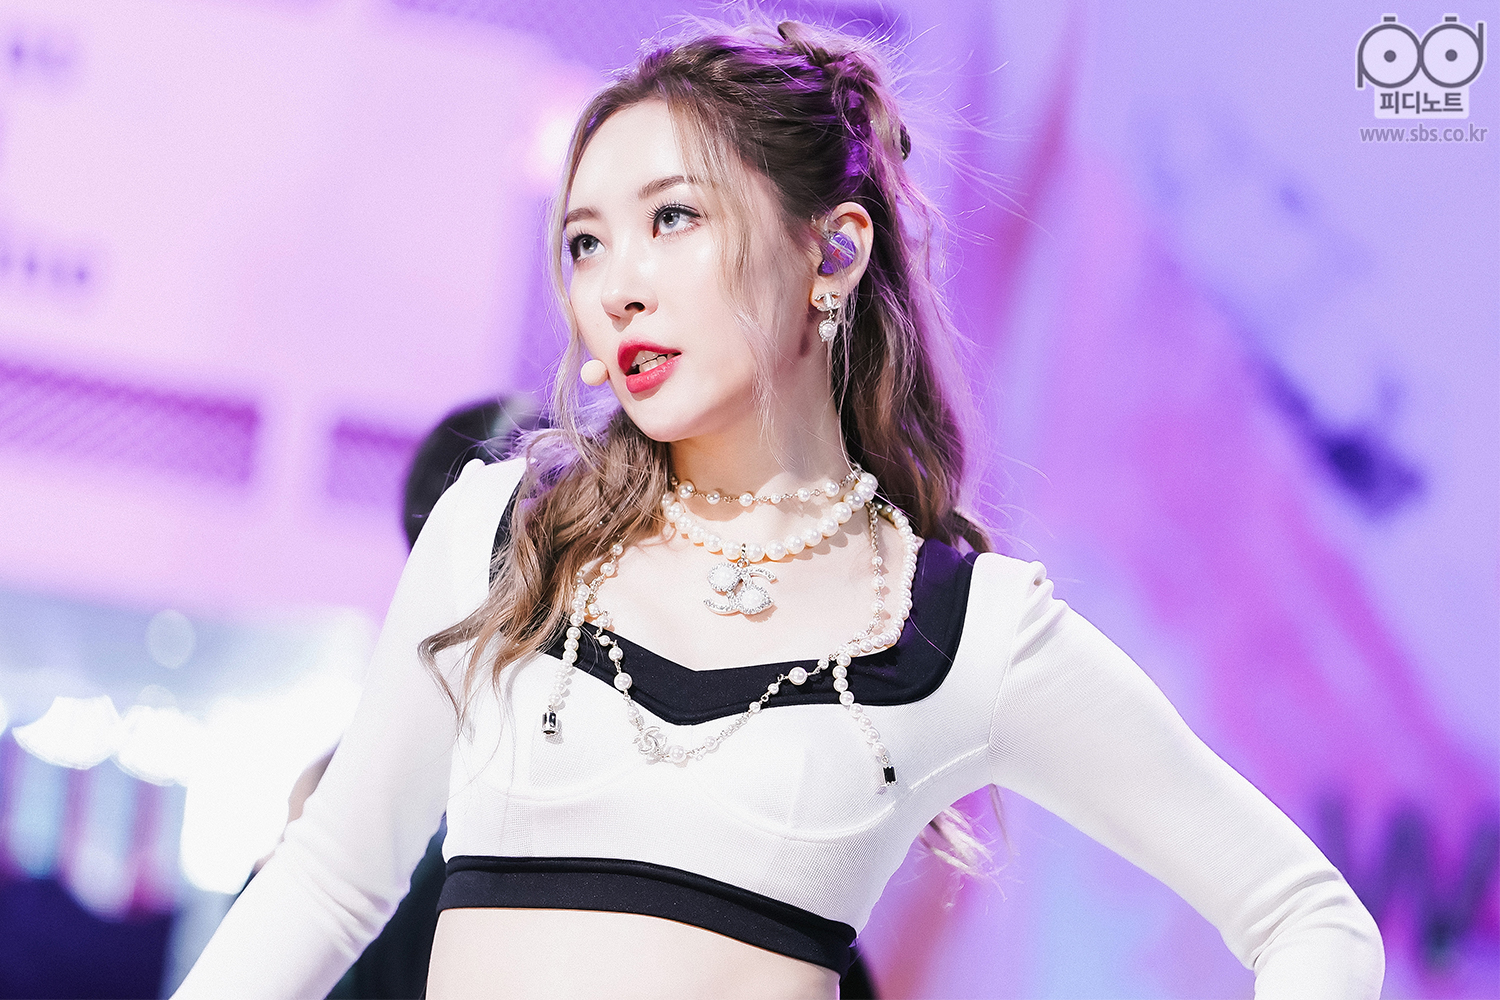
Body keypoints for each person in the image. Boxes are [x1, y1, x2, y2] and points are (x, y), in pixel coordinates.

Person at [174, 18, 1384, 999]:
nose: (618, 285)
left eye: (673, 218)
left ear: (834, 253)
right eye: (585, 243)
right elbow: (331, 882)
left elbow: (1308, 917)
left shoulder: (958, 630)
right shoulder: (506, 537)